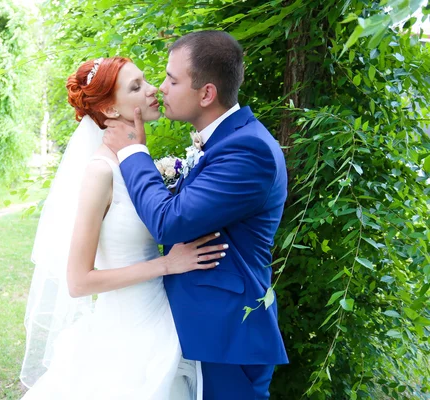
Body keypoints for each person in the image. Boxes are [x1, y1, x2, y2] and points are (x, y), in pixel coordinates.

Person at [19, 56, 227, 400]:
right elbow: (79, 282)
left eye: (145, 81)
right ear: (111, 110)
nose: (152, 90)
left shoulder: (136, 160)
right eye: (136, 87)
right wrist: (167, 264)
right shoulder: (100, 172)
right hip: (127, 330)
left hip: (163, 317)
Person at [103, 31, 290, 400]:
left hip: (226, 337)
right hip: (200, 329)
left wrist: (132, 153)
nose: (162, 88)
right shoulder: (225, 141)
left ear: (206, 93)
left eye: (172, 80)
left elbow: (169, 221)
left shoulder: (249, 150)